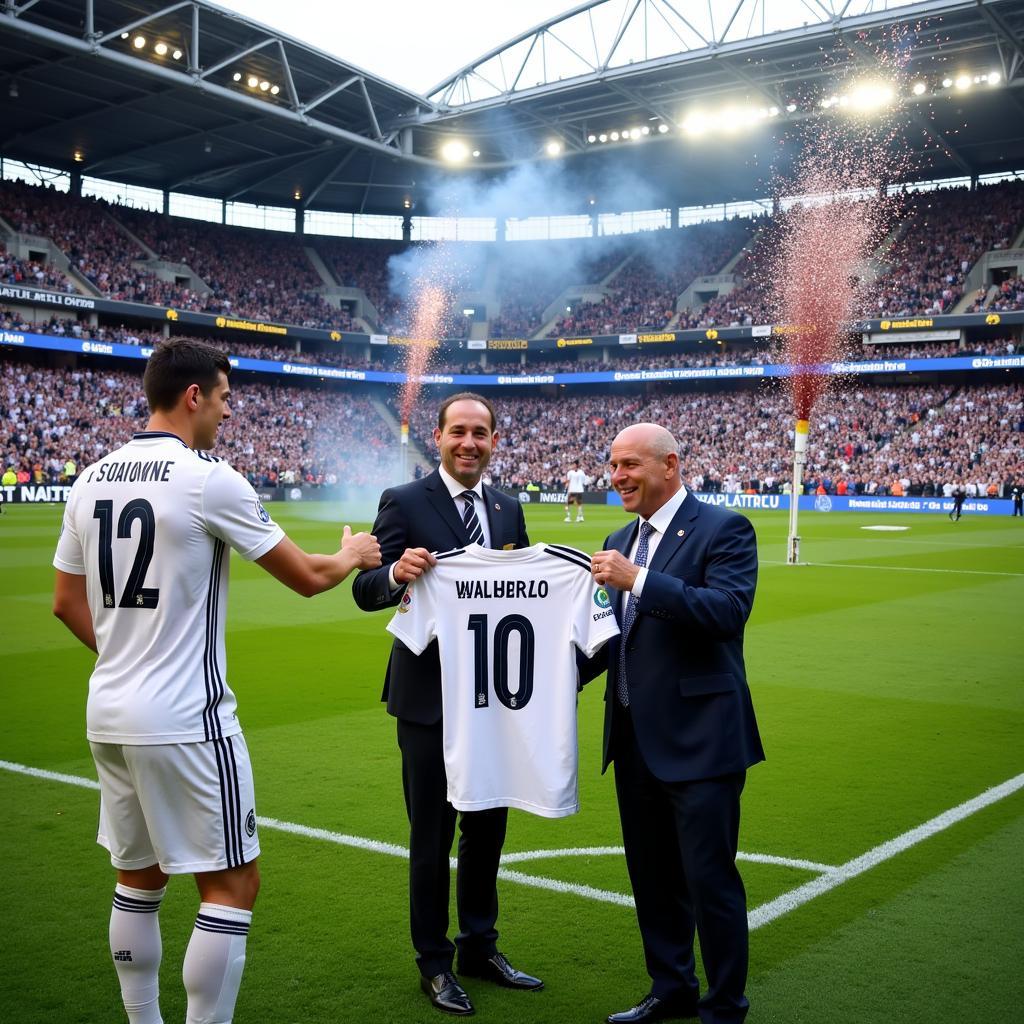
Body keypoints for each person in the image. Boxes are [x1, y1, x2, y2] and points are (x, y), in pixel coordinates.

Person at [51, 338, 381, 1024]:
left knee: (138, 879)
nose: (230, 414)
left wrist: (123, 654)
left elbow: (65, 602)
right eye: (226, 398)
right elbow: (309, 579)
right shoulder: (207, 477)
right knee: (232, 883)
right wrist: (350, 554)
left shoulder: (89, 479)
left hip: (108, 710)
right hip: (186, 718)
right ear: (194, 395)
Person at [352, 392, 542, 1016]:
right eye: (458, 431)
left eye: (480, 433)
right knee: (431, 835)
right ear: (437, 438)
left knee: (487, 825)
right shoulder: (403, 502)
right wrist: (395, 574)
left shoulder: (509, 508)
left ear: (494, 440)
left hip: (493, 699)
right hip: (427, 701)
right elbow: (364, 588)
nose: (469, 443)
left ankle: (479, 946)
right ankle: (433, 962)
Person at [585, 422, 764, 1024]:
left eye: (630, 465)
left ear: (670, 465)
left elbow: (727, 611)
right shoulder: (618, 537)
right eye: (613, 466)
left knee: (709, 879)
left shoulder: (724, 528)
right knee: (652, 878)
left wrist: (638, 579)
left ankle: (724, 1007)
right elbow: (608, 637)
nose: (618, 477)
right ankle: (671, 987)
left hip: (702, 739)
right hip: (634, 740)